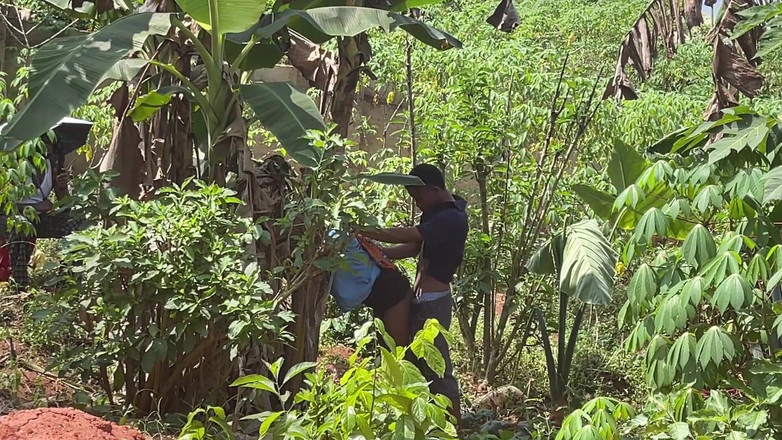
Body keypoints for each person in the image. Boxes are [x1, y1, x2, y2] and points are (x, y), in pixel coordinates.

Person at [359, 163, 468, 427]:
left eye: (418, 197)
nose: (417, 204)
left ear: (433, 189)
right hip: (422, 299)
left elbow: (410, 234)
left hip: (435, 303)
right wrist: (376, 251)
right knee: (415, 361)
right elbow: (412, 247)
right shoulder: (435, 212)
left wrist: (367, 230)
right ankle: (429, 424)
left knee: (438, 367)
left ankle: (455, 431)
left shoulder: (452, 217)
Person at [7, 139, 80, 291]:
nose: (47, 148)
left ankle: (68, 279)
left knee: (76, 223)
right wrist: (36, 206)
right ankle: (19, 285)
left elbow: (64, 204)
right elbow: (4, 205)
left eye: (49, 145)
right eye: (43, 143)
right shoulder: (13, 167)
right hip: (12, 218)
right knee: (21, 226)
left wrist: (62, 187)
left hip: (41, 218)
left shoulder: (51, 166)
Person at [330, 232, 413, 347]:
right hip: (379, 292)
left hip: (392, 291)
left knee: (399, 350)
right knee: (390, 350)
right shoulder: (332, 236)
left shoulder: (336, 234)